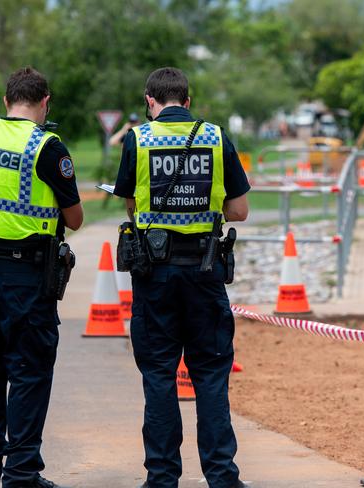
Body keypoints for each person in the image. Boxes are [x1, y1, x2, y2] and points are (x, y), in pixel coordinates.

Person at [113, 67, 250, 488]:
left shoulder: (137, 139)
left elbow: (131, 206)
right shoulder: (215, 136)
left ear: (149, 101)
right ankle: (222, 477)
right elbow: (240, 211)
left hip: (154, 275)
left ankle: (161, 477)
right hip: (206, 273)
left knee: (158, 375)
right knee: (210, 375)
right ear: (188, 101)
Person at [0, 67, 83, 488]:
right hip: (26, 276)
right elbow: (76, 219)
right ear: (45, 102)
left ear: (5, 100)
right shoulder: (47, 147)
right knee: (28, 372)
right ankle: (22, 473)